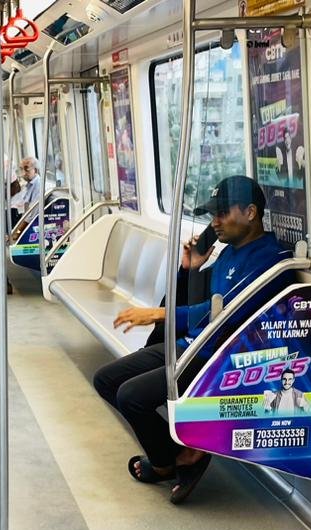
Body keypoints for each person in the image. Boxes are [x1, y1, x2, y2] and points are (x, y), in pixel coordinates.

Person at [92, 176, 293, 504]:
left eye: (222, 213)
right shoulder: (227, 255)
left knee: (131, 396)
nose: (215, 222)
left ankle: (166, 463)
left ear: (250, 212)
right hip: (194, 345)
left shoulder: (270, 261)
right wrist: (190, 269)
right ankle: (182, 453)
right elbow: (204, 304)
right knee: (106, 379)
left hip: (217, 357)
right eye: (212, 215)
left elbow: (224, 313)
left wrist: (158, 314)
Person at [8, 157, 41, 228]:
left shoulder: (38, 186)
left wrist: (18, 231)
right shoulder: (28, 185)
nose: (23, 173)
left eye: (27, 170)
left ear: (35, 170)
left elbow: (31, 215)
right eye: (22, 169)